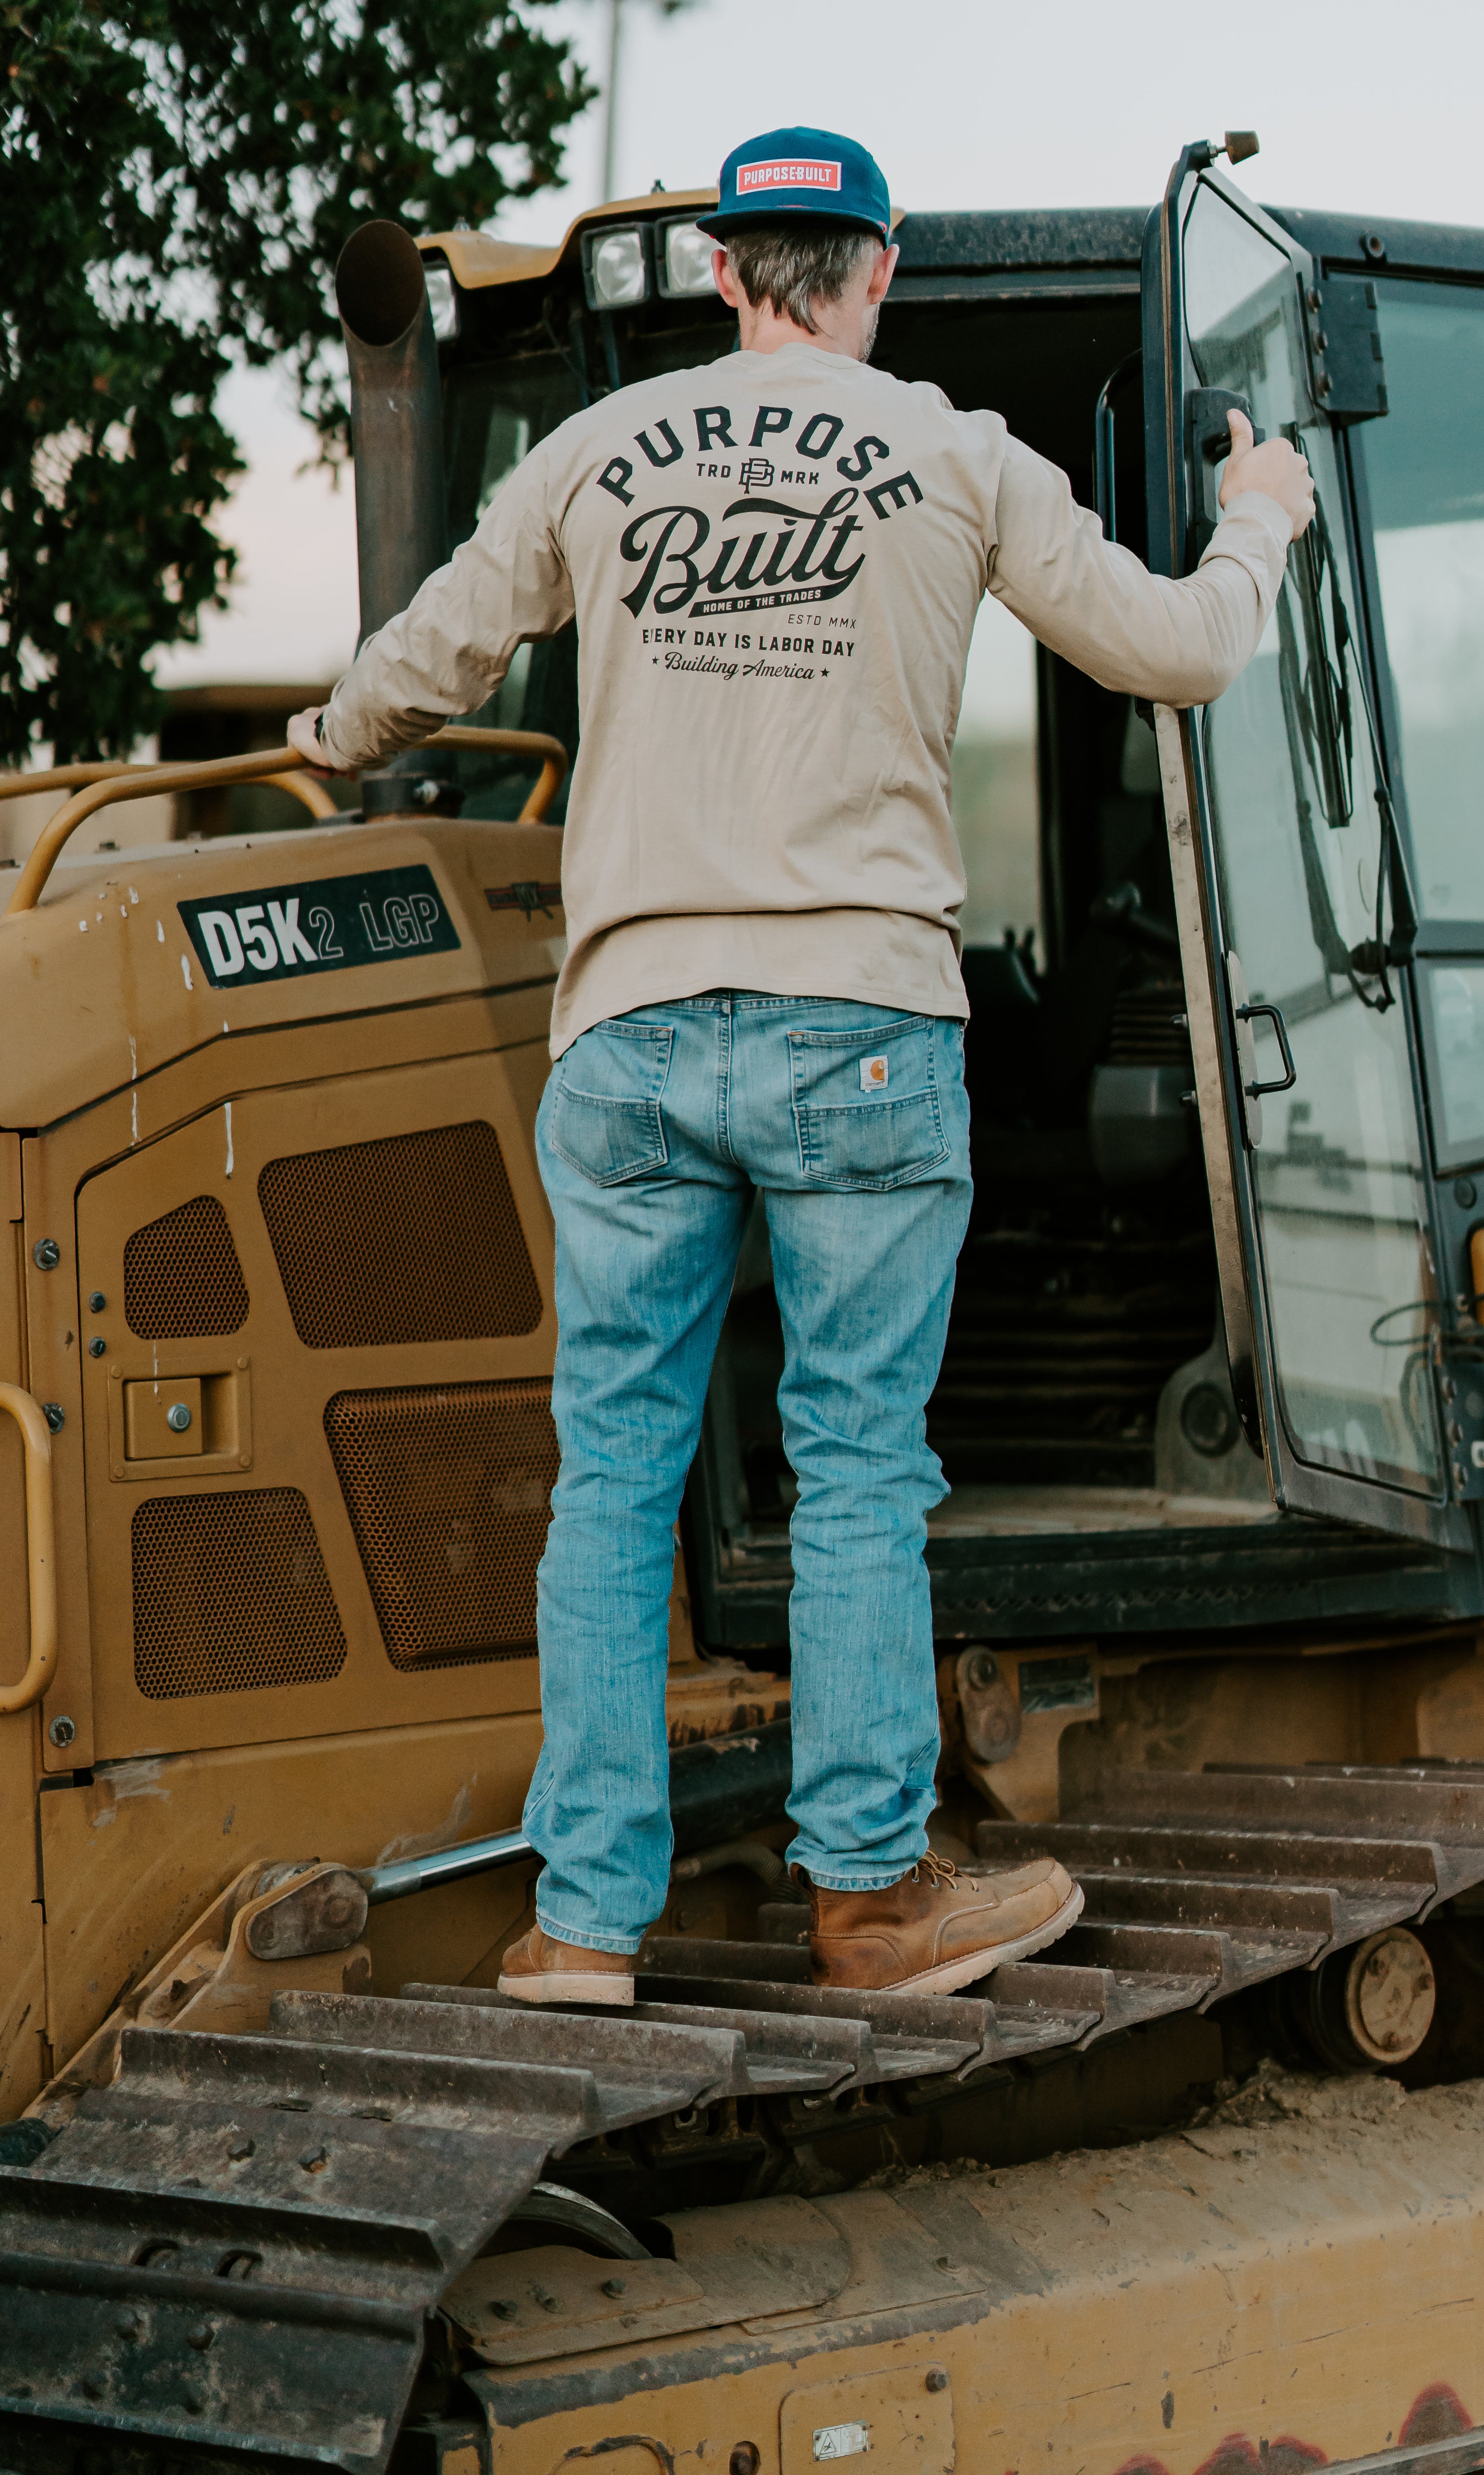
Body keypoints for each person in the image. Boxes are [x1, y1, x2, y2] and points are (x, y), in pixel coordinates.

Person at [289, 125, 1315, 2006]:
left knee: (611, 1477)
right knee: (856, 1470)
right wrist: (1261, 519)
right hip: (859, 1026)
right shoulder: (956, 452)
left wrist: (324, 738)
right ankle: (865, 1903)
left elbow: (424, 661)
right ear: (880, 271)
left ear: (720, 278)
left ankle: (585, 1923)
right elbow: (1172, 654)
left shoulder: (595, 453)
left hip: (634, 1030)